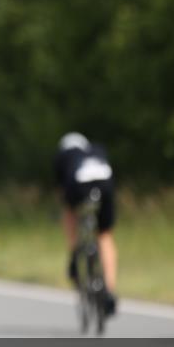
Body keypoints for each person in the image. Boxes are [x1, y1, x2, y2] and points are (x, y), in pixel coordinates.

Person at [54, 132, 118, 315]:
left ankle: (74, 254)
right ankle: (110, 290)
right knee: (105, 235)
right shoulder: (97, 148)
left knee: (69, 211)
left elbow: (62, 191)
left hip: (78, 183)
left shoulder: (63, 156)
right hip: (105, 182)